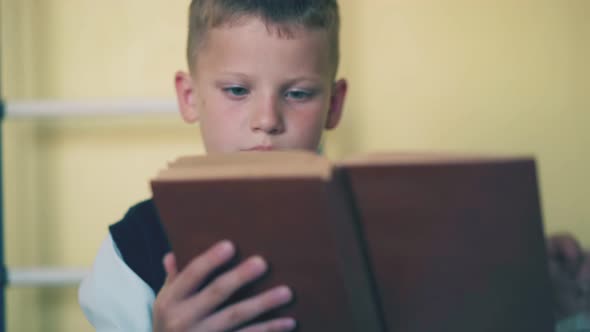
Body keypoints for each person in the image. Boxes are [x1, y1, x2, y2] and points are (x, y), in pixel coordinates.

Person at [78, 1, 589, 331]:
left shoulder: (406, 228)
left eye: (298, 94)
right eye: (237, 90)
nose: (267, 120)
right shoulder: (130, 255)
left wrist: (556, 311)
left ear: (334, 104)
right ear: (190, 97)